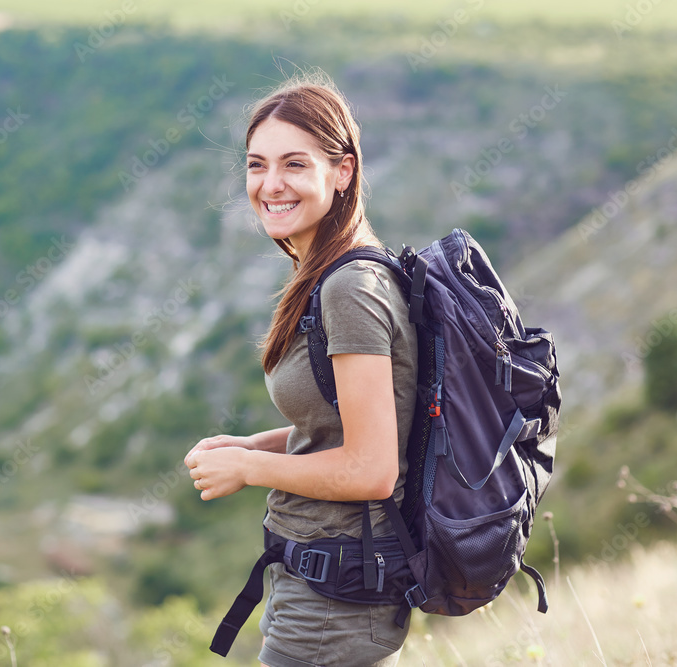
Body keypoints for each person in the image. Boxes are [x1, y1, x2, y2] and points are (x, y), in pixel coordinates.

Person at [184, 73, 419, 667]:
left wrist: (249, 466)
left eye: (294, 164)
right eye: (256, 165)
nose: (270, 184)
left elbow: (371, 469)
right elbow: (343, 429)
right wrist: (252, 443)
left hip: (333, 605)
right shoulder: (330, 274)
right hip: (322, 590)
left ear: (342, 172)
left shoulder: (350, 287)